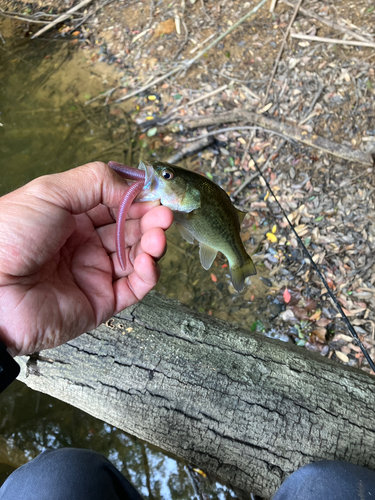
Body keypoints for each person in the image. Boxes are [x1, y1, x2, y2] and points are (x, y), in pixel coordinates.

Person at [1, 162, 375, 500]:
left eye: (166, 177)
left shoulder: (193, 207)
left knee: (51, 479)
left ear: (189, 196)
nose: (159, 177)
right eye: (164, 175)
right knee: (329, 487)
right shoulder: (182, 206)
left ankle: (239, 263)